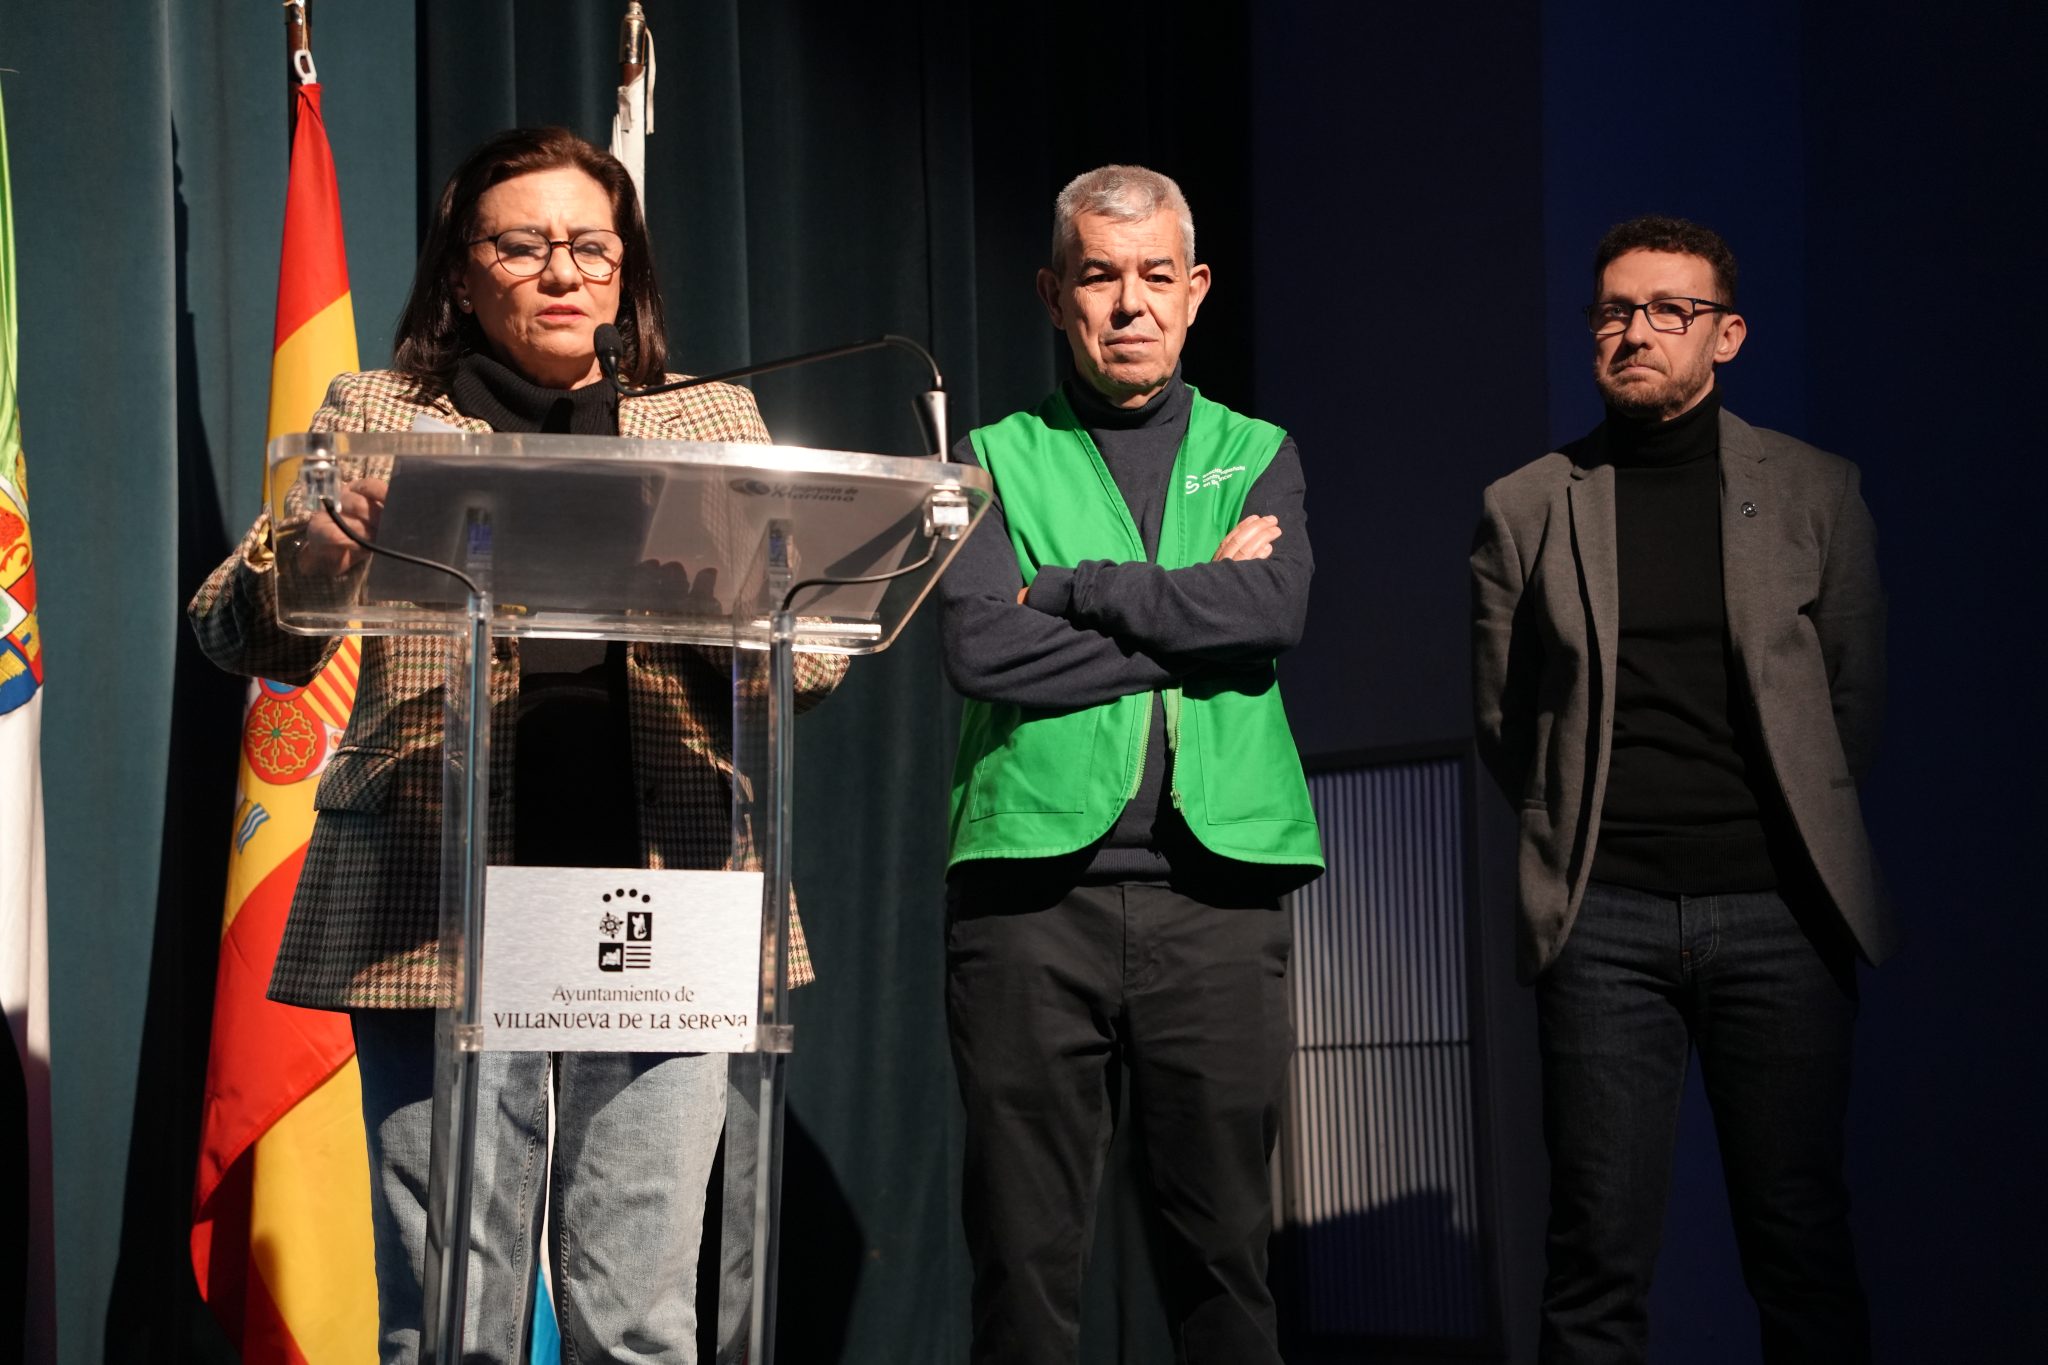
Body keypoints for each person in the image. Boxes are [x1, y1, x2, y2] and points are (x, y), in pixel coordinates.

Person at [188, 127, 843, 1365]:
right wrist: (320, 554)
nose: (561, 272)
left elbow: (806, 665)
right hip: (437, 895)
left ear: (625, 270)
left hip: (665, 892)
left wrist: (720, 612)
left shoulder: (707, 420)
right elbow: (234, 632)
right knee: (450, 1315)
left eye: (591, 246)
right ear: (460, 270)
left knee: (639, 1319)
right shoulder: (379, 414)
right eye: (522, 245)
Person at [1470, 215, 1893, 1362]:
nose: (1635, 332)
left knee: (1799, 1241)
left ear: (1726, 335)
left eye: (1668, 310)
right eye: (1614, 311)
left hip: (1780, 914)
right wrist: (1572, 835)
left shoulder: (1813, 490)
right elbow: (1505, 718)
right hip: (1600, 920)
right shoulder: (1527, 504)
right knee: (1593, 1254)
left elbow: (1849, 704)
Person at [938, 164, 1323, 1365]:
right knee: (1023, 1259)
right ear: (1053, 295)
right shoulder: (989, 457)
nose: (1128, 304)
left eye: (1155, 275)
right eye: (1099, 277)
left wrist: (1070, 590)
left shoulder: (1254, 450)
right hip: (1027, 901)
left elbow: (1271, 613)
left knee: (1222, 1258)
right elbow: (979, 648)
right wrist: (1196, 617)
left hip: (1215, 894)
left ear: (1194, 290)